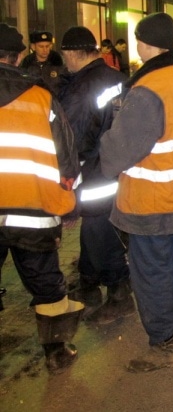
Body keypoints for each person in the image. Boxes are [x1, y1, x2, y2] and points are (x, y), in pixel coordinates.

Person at [100, 12, 173, 373]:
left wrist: (101, 149)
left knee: (151, 274)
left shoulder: (149, 88)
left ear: (145, 43)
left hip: (151, 200)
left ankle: (165, 345)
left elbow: (118, 151)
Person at [0, 22, 84, 374]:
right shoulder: (40, 97)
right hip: (33, 212)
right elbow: (67, 160)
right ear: (19, 55)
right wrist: (71, 199)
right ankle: (56, 350)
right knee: (46, 281)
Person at [58, 26, 135, 325]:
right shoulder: (118, 79)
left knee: (99, 230)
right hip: (117, 168)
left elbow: (71, 140)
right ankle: (89, 283)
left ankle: (120, 293)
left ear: (73, 53)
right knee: (97, 226)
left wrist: (64, 181)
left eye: (64, 55)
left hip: (93, 172)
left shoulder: (81, 89)